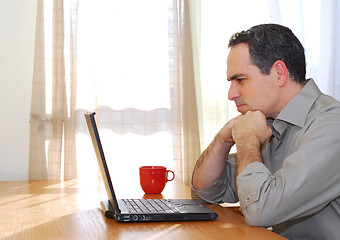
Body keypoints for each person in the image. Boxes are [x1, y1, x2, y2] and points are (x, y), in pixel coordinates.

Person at [191, 23, 340, 239]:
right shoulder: (268, 123)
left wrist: (248, 141)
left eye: (240, 80)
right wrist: (222, 141)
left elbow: (260, 210)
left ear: (279, 73)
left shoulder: (331, 125)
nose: (231, 94)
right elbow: (205, 190)